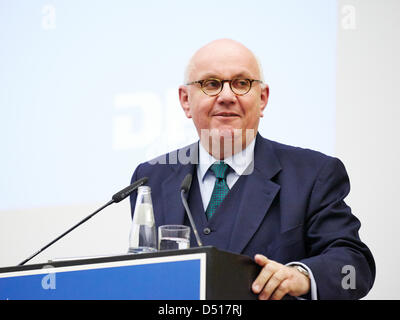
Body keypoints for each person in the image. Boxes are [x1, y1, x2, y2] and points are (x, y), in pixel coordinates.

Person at [129, 39, 375, 299]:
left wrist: (302, 275)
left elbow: (354, 266)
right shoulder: (151, 178)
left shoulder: (314, 174)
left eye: (241, 83)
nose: (226, 97)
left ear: (263, 99)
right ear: (185, 100)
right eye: (211, 84)